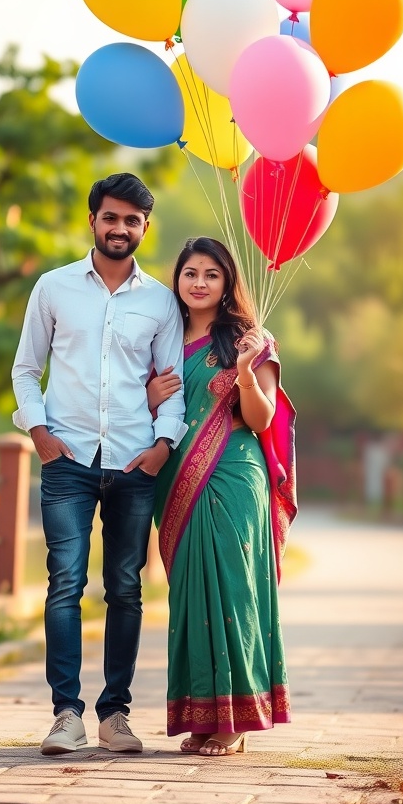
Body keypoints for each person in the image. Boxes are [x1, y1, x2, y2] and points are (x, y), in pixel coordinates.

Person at [11, 172, 187, 756]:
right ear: (93, 220)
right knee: (65, 584)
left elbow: (172, 383)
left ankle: (115, 715)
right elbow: (24, 369)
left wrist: (163, 446)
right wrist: (38, 432)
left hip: (135, 464)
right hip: (67, 458)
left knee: (125, 588)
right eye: (110, 217)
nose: (120, 228)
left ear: (144, 227)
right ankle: (66, 714)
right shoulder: (54, 288)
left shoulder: (161, 300)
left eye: (131, 220)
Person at [148, 237, 297, 756]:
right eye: (191, 272)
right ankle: (201, 713)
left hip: (232, 476)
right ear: (178, 278)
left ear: (227, 281)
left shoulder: (251, 341)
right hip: (175, 484)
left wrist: (244, 373)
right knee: (192, 597)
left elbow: (261, 420)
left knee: (232, 591)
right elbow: (141, 412)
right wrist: (147, 397)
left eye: (211, 274)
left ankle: (234, 721)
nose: (200, 283)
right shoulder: (161, 341)